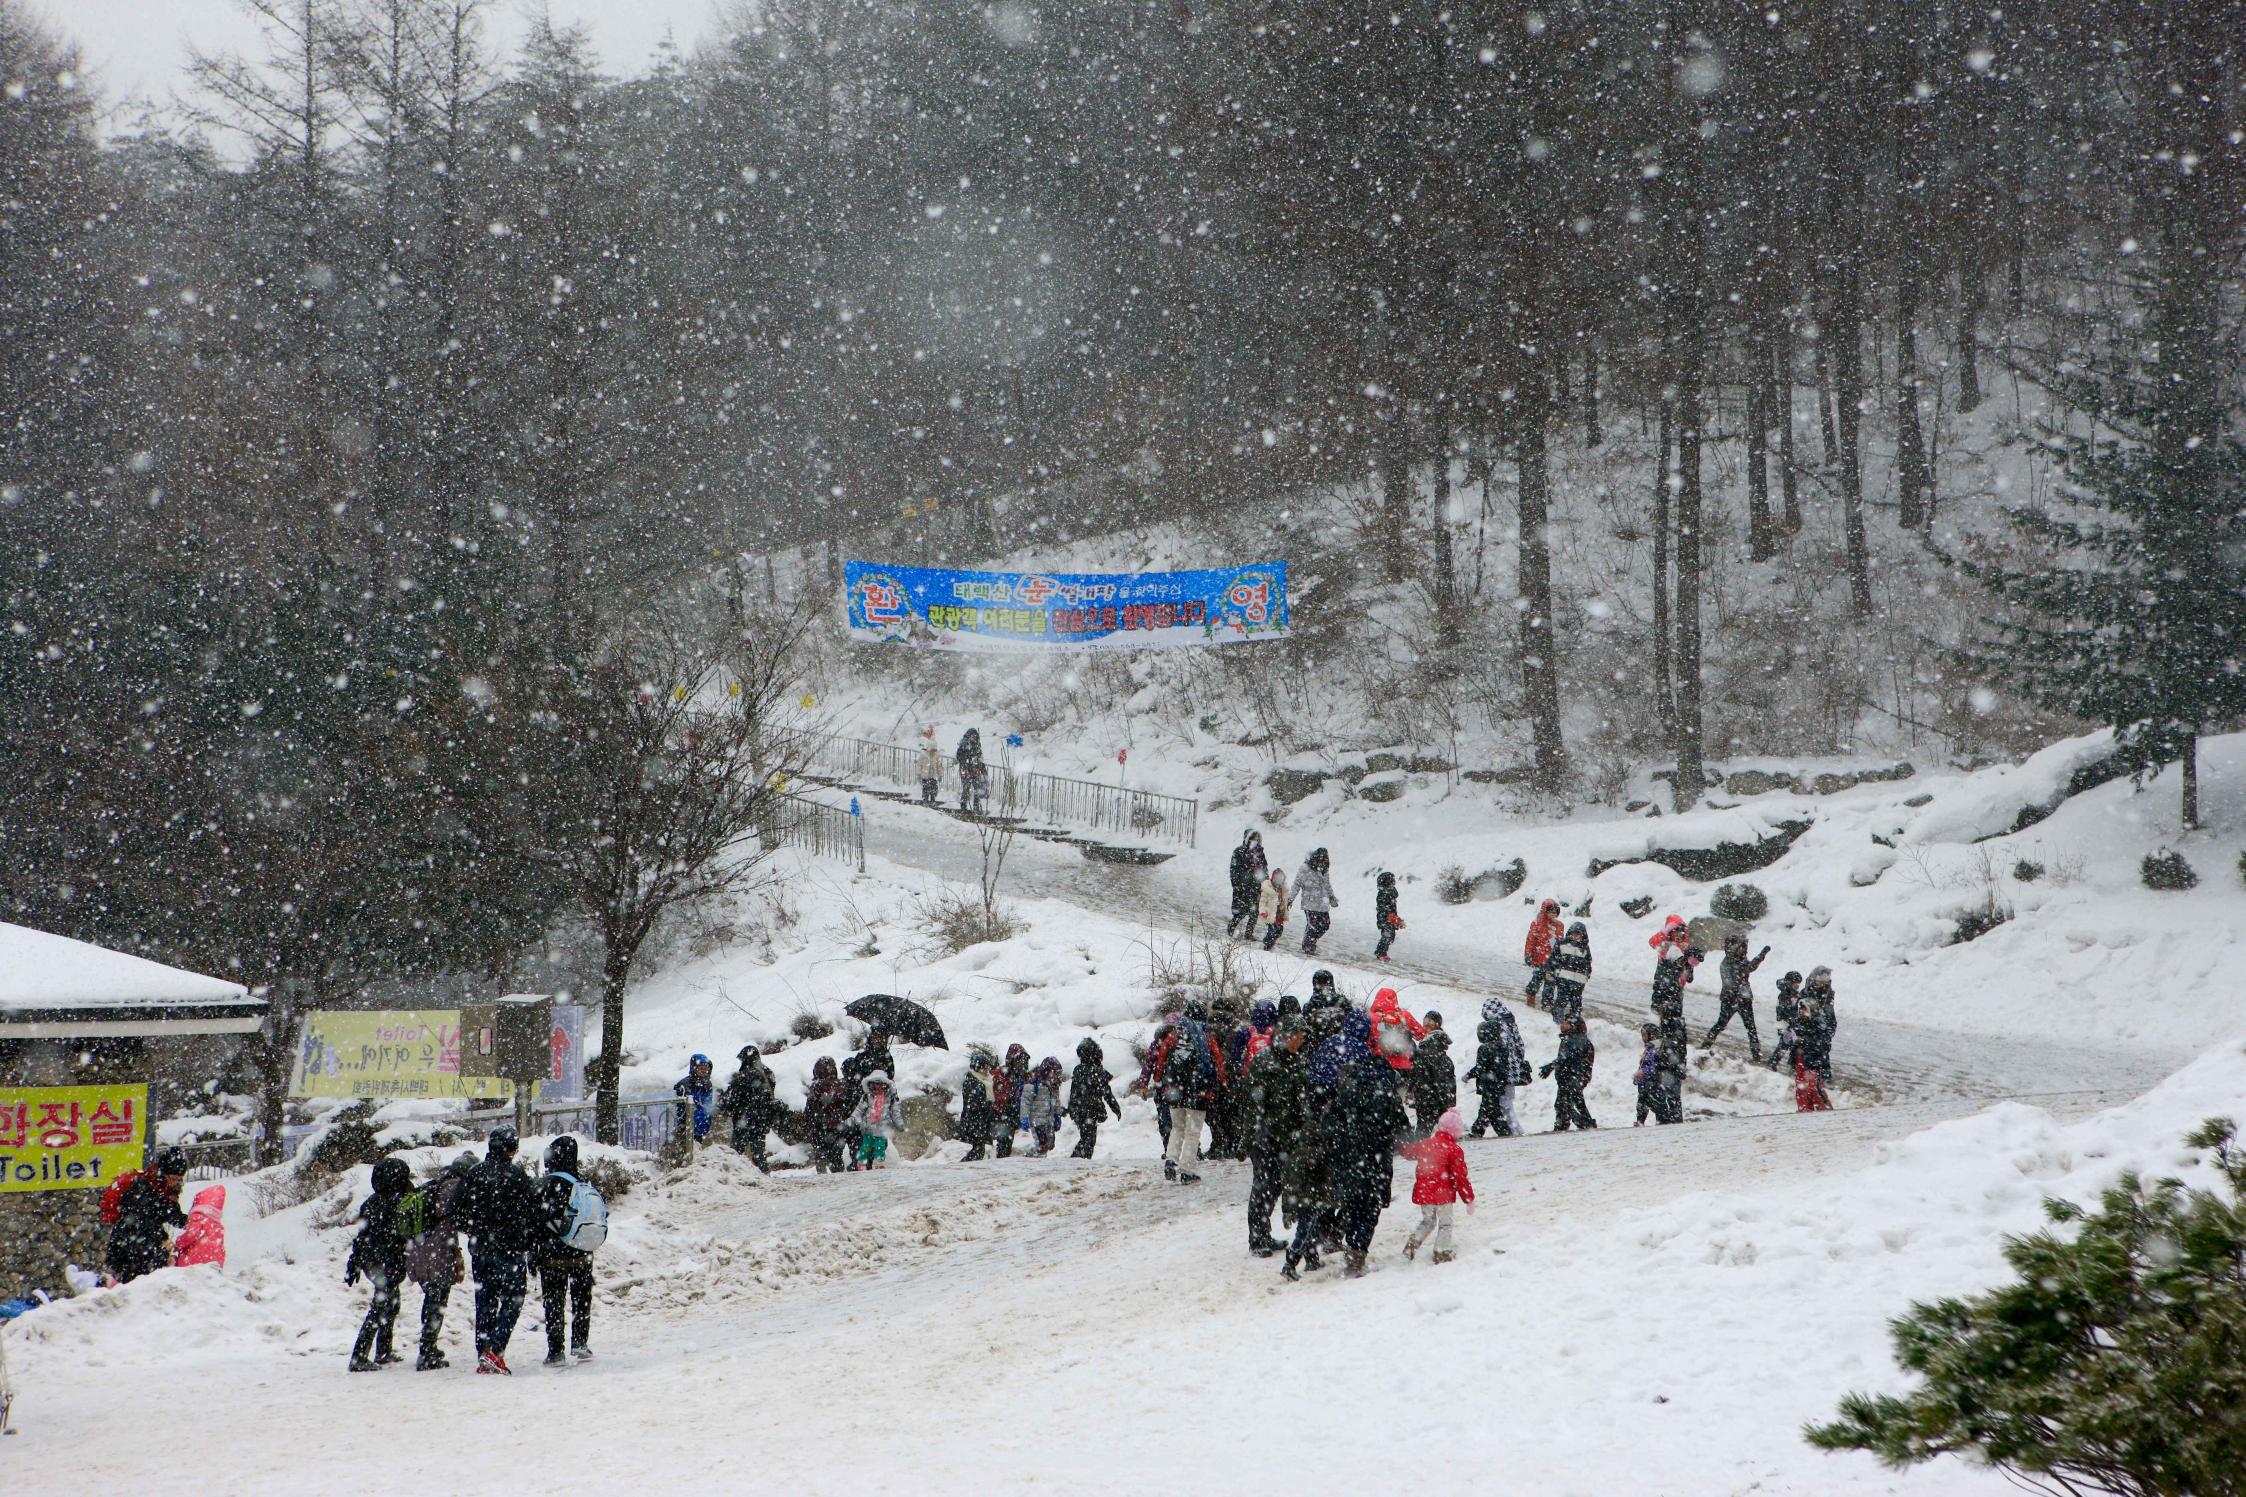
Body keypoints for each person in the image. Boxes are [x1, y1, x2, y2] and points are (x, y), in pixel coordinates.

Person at [1329, 1009, 1411, 1277]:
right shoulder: (1386, 1095)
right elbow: (1403, 1130)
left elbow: (1329, 1124)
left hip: (1348, 1159)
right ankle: (1357, 1250)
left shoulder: (1345, 1092)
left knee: (1352, 1204)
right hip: (1376, 1160)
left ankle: (1348, 1242)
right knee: (1370, 1208)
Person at [463, 1124, 540, 1374]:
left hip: (481, 1250)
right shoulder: (517, 1176)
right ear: (512, 1149)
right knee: (512, 1299)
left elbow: (455, 1209)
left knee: (484, 1301)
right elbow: (533, 1212)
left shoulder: (474, 1174)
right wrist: (526, 1238)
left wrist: (474, 1228)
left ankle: (483, 1352)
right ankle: (495, 1350)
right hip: (510, 1249)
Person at [1240, 1014, 1310, 1257]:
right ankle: (1257, 1239)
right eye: (1298, 1036)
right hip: (1266, 1138)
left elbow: (1301, 1099)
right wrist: (1252, 1136)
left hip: (1287, 1138)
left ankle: (1264, 1234)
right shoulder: (1264, 1062)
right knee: (1263, 1187)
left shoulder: (1297, 1061)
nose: (1301, 1041)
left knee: (1276, 1185)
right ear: (1287, 1035)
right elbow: (1252, 1103)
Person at [405, 1151, 476, 1369]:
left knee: (432, 1300)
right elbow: (460, 1217)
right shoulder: (453, 1188)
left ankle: (428, 1348)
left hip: (419, 1249)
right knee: (437, 1302)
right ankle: (426, 1352)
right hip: (438, 1252)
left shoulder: (432, 1185)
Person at [345, 1156, 414, 1371]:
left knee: (390, 1302)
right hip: (388, 1261)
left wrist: (354, 1262)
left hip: (371, 1261)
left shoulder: (372, 1202)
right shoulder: (400, 1201)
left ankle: (383, 1350)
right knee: (381, 1305)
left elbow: (362, 1236)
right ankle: (360, 1356)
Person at [533, 1136, 595, 1367]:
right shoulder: (583, 1183)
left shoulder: (545, 1185)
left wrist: (533, 1251)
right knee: (581, 1298)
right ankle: (580, 1341)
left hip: (552, 1255)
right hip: (581, 1251)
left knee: (554, 1301)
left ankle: (555, 1350)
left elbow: (534, 1221)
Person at [1150, 1000, 1227, 1184]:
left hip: (1175, 1089)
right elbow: (1217, 1060)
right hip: (1198, 1090)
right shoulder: (1206, 1037)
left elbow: (1161, 1059)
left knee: (1177, 1127)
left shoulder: (1174, 1035)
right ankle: (1187, 1170)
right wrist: (1222, 1083)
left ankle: (1171, 1161)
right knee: (1193, 1132)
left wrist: (1159, 1081)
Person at [1397, 1107, 1474, 1264]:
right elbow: (1460, 1178)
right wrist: (1468, 1198)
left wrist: (1399, 1143)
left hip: (1425, 1193)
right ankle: (1441, 1252)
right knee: (1445, 1224)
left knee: (1428, 1221)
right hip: (1443, 1195)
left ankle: (1411, 1245)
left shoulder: (1426, 1144)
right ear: (1455, 1132)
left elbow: (1409, 1152)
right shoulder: (1454, 1149)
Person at [1463, 999, 1532, 1138]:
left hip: (1500, 1073)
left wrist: (1500, 1068)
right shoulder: (1510, 1022)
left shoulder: (1500, 1027)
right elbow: (1519, 1046)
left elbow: (1498, 1054)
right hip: (1508, 1070)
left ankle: (1513, 1130)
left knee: (1503, 1103)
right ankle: (1500, 1129)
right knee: (1499, 1104)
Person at [1706, 934, 1771, 1060]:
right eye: (1741, 947)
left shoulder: (1742, 960)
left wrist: (1762, 955)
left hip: (1744, 998)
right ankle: (1706, 1045)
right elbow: (1728, 982)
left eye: (1745, 947)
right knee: (1721, 1024)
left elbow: (1750, 967)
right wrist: (1735, 993)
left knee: (1751, 1027)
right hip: (1730, 999)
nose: (1744, 950)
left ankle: (1756, 1054)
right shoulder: (1726, 963)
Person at [721, 1044, 780, 1171]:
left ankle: (734, 1175)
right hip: (761, 1118)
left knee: (736, 1152)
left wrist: (727, 1107)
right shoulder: (767, 1072)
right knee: (759, 1151)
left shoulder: (743, 1075)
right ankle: (764, 1174)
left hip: (744, 1119)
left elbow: (734, 1098)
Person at [1067, 1038, 1123, 1159]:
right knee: (1089, 1140)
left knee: (1086, 1138)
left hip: (1080, 1109)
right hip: (1091, 1110)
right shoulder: (1098, 1071)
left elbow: (1073, 1092)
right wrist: (1116, 1108)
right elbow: (1107, 1093)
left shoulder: (1079, 1070)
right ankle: (1078, 1160)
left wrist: (1071, 1108)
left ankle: (1079, 1159)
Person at [1540, 1018, 1598, 1132]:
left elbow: (1568, 1057)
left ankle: (1583, 1123)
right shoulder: (1569, 1038)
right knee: (1569, 1103)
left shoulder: (1578, 1039)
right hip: (1569, 1077)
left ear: (1574, 1026)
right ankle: (1566, 1124)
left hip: (1574, 1077)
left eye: (1567, 1024)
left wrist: (1551, 1066)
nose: (1563, 1025)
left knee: (1566, 1104)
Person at [1409, 1011, 1457, 1135]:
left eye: (1431, 1022)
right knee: (1437, 1129)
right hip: (1432, 1098)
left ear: (1437, 1024)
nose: (1427, 1025)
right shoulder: (1431, 1051)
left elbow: (1440, 1079)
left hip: (1428, 1098)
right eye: (1425, 1022)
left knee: (1424, 1128)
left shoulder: (1429, 1052)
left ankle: (1421, 1150)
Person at [803, 1056, 853, 1173]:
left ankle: (823, 1175)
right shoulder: (840, 1085)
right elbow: (846, 1106)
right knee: (835, 1156)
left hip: (820, 1126)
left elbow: (810, 1108)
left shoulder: (816, 1086)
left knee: (821, 1154)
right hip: (837, 1125)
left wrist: (810, 1122)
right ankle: (837, 1173)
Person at [1798, 967, 1839, 1102]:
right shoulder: (1806, 994)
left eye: (1825, 980)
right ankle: (1811, 1083)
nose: (1822, 983)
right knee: (1810, 1055)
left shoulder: (1828, 995)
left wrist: (1829, 1031)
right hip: (1810, 1031)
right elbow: (1801, 1016)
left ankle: (1824, 1079)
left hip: (1823, 1033)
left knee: (1823, 1054)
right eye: (1820, 980)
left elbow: (1831, 1016)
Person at [849, 1071, 903, 1168]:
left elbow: (895, 1112)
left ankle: (879, 1162)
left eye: (881, 1087)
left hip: (882, 1128)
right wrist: (853, 1119)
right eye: (874, 1087)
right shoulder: (867, 1097)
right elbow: (859, 1109)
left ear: (886, 1087)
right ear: (870, 1087)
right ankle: (861, 1161)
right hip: (868, 1127)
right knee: (866, 1146)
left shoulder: (890, 1098)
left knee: (880, 1146)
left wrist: (899, 1123)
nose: (877, 1090)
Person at [1546, 921, 1593, 1026]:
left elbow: (1588, 963)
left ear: (1583, 935)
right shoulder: (1562, 945)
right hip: (1564, 979)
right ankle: (1557, 1022)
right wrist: (1550, 971)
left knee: (1576, 1004)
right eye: (1573, 933)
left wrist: (1587, 976)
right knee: (1561, 1001)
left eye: (1578, 934)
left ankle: (1574, 1023)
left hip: (1578, 982)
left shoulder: (1584, 948)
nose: (1575, 936)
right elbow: (1553, 959)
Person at [958, 1047, 1001, 1161]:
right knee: (978, 1149)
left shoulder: (986, 1080)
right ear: (977, 1068)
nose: (986, 1070)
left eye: (987, 1067)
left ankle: (967, 1166)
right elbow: (973, 1103)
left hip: (981, 1121)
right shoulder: (972, 1081)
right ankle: (962, 1166)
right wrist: (989, 1105)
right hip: (973, 1121)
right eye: (983, 1067)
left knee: (979, 1150)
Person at [1367, 987, 1424, 1072]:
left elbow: (1367, 1040)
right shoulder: (1405, 1016)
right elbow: (1421, 1034)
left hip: (1380, 1064)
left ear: (1377, 1000)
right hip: (1404, 1065)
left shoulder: (1371, 1018)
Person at [171, 1183, 227, 1269]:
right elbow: (220, 1247)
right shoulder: (217, 1224)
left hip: (194, 1260)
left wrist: (179, 1243)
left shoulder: (198, 1217)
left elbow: (192, 1234)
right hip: (214, 1262)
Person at [1294, 848, 1338, 955]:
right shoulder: (1305, 868)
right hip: (1309, 902)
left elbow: (1327, 884)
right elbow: (1296, 884)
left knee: (1325, 924)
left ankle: (1311, 940)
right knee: (1313, 925)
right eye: (1320, 860)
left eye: (1324, 861)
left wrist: (1332, 897)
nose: (1322, 863)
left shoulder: (1325, 870)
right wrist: (1290, 899)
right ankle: (1308, 945)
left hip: (1322, 903)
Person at [1226, 829, 1268, 939]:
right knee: (1241, 911)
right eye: (1254, 839)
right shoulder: (1239, 851)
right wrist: (1235, 883)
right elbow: (1234, 869)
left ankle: (1249, 933)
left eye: (1258, 840)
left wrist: (1265, 883)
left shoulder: (1260, 853)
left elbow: (1264, 869)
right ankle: (1231, 928)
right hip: (1242, 886)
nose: (1256, 841)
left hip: (1255, 887)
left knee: (1254, 912)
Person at [1019, 1056, 1066, 1155]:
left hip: (1049, 1122)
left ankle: (1032, 1156)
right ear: (1046, 1072)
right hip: (1037, 1122)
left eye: (1057, 1074)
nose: (1055, 1077)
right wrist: (1024, 1118)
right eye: (1053, 1074)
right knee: (1042, 1145)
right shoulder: (1033, 1085)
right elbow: (1025, 1103)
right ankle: (1034, 1160)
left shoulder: (1054, 1087)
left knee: (1050, 1145)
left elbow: (1056, 1102)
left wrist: (1057, 1115)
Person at [1522, 897, 1565, 1005]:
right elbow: (1530, 940)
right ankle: (1531, 996)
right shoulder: (1537, 924)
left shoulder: (1559, 926)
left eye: (1555, 912)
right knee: (1536, 980)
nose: (1553, 915)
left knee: (1550, 983)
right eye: (1550, 912)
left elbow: (1560, 943)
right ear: (1545, 912)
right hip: (1539, 959)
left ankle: (1547, 1003)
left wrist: (1561, 957)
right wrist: (1528, 954)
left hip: (1552, 960)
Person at [995, 1043, 1031, 1158]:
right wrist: (1010, 1101)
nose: (1022, 1063)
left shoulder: (1024, 1076)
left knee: (1007, 1146)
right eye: (1019, 1060)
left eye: (1024, 1060)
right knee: (1003, 1145)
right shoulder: (1002, 1074)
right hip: (1003, 1115)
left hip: (1014, 1115)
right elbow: (998, 1095)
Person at [673, 1053, 717, 1146]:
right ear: (694, 1068)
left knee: (697, 1152)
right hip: (687, 1127)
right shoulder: (685, 1084)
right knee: (686, 1153)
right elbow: (683, 1108)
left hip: (701, 1127)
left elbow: (707, 1105)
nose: (704, 1071)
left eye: (706, 1068)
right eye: (701, 1068)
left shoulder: (707, 1084)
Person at [1768, 970, 1805, 1072]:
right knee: (1784, 1044)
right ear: (1790, 982)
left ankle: (1785, 1063)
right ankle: (1773, 1063)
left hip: (1789, 1023)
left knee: (1790, 1044)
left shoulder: (1792, 993)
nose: (1797, 986)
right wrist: (1791, 1020)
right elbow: (1785, 1011)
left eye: (1798, 984)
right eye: (1796, 983)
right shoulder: (1785, 994)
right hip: (1785, 1023)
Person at [1632, 1023, 1662, 1127]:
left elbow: (1656, 1067)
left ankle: (1661, 1119)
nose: (1642, 1038)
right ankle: (1640, 1120)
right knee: (1642, 1102)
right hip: (1645, 1082)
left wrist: (1644, 1072)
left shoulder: (1655, 1049)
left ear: (1652, 1036)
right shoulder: (1649, 1048)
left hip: (1650, 1083)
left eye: (1644, 1035)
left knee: (1651, 1102)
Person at [1257, 865, 1290, 951]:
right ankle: (1267, 946)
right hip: (1270, 913)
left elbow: (1284, 900)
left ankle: (1269, 942)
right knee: (1272, 931)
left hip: (1279, 914)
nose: (1279, 882)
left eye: (1281, 879)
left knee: (1279, 931)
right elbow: (1262, 902)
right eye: (1277, 879)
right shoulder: (1267, 888)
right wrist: (1262, 910)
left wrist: (1285, 906)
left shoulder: (1283, 889)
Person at [955, 727, 986, 814]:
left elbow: (980, 758)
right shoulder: (964, 744)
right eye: (972, 736)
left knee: (977, 789)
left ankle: (976, 808)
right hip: (965, 770)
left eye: (975, 736)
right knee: (966, 789)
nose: (974, 738)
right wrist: (967, 760)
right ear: (968, 736)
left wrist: (982, 768)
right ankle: (963, 807)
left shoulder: (977, 745)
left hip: (975, 771)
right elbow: (959, 756)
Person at [1373, 871, 1403, 961]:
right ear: (1387, 881)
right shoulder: (1383, 894)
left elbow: (1391, 908)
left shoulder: (1391, 892)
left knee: (1391, 936)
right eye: (1392, 879)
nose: (1394, 881)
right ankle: (1380, 952)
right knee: (1387, 935)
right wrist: (1395, 919)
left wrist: (1397, 919)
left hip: (1391, 916)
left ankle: (1383, 952)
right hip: (1384, 918)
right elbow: (1385, 909)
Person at [917, 736, 944, 806]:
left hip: (933, 776)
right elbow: (919, 765)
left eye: (934, 750)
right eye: (932, 750)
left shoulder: (936, 755)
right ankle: (925, 800)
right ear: (928, 748)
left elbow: (939, 766)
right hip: (925, 776)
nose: (933, 752)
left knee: (934, 789)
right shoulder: (923, 754)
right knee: (925, 789)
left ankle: (933, 800)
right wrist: (919, 774)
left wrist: (940, 774)